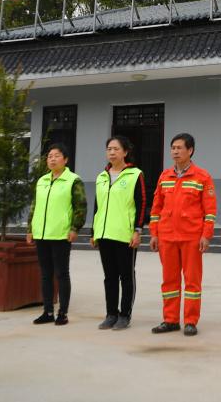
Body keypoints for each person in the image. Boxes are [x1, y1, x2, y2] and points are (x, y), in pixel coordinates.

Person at [148, 133, 216, 337]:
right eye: (173, 148)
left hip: (191, 237)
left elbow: (210, 210)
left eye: (179, 148)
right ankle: (170, 320)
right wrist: (154, 233)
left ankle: (190, 321)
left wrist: (206, 235)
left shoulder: (202, 177)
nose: (175, 152)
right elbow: (156, 208)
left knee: (192, 281)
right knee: (169, 281)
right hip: (167, 237)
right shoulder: (164, 176)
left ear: (190, 150)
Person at [26, 143, 86, 326]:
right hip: (41, 234)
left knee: (61, 273)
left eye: (57, 156)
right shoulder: (42, 181)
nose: (52, 159)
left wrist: (75, 228)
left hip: (61, 234)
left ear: (65, 160)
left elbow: (81, 206)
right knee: (45, 274)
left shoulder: (73, 180)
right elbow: (34, 206)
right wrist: (30, 229)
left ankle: (63, 313)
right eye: (50, 156)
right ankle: (48, 312)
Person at [91, 135, 146, 331]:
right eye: (109, 149)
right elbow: (97, 206)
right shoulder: (101, 177)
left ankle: (125, 315)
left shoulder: (135, 175)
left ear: (125, 152)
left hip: (125, 235)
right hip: (104, 234)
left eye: (116, 149)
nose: (112, 152)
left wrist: (137, 230)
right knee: (109, 277)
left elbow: (141, 204)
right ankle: (111, 314)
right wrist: (94, 232)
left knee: (126, 276)